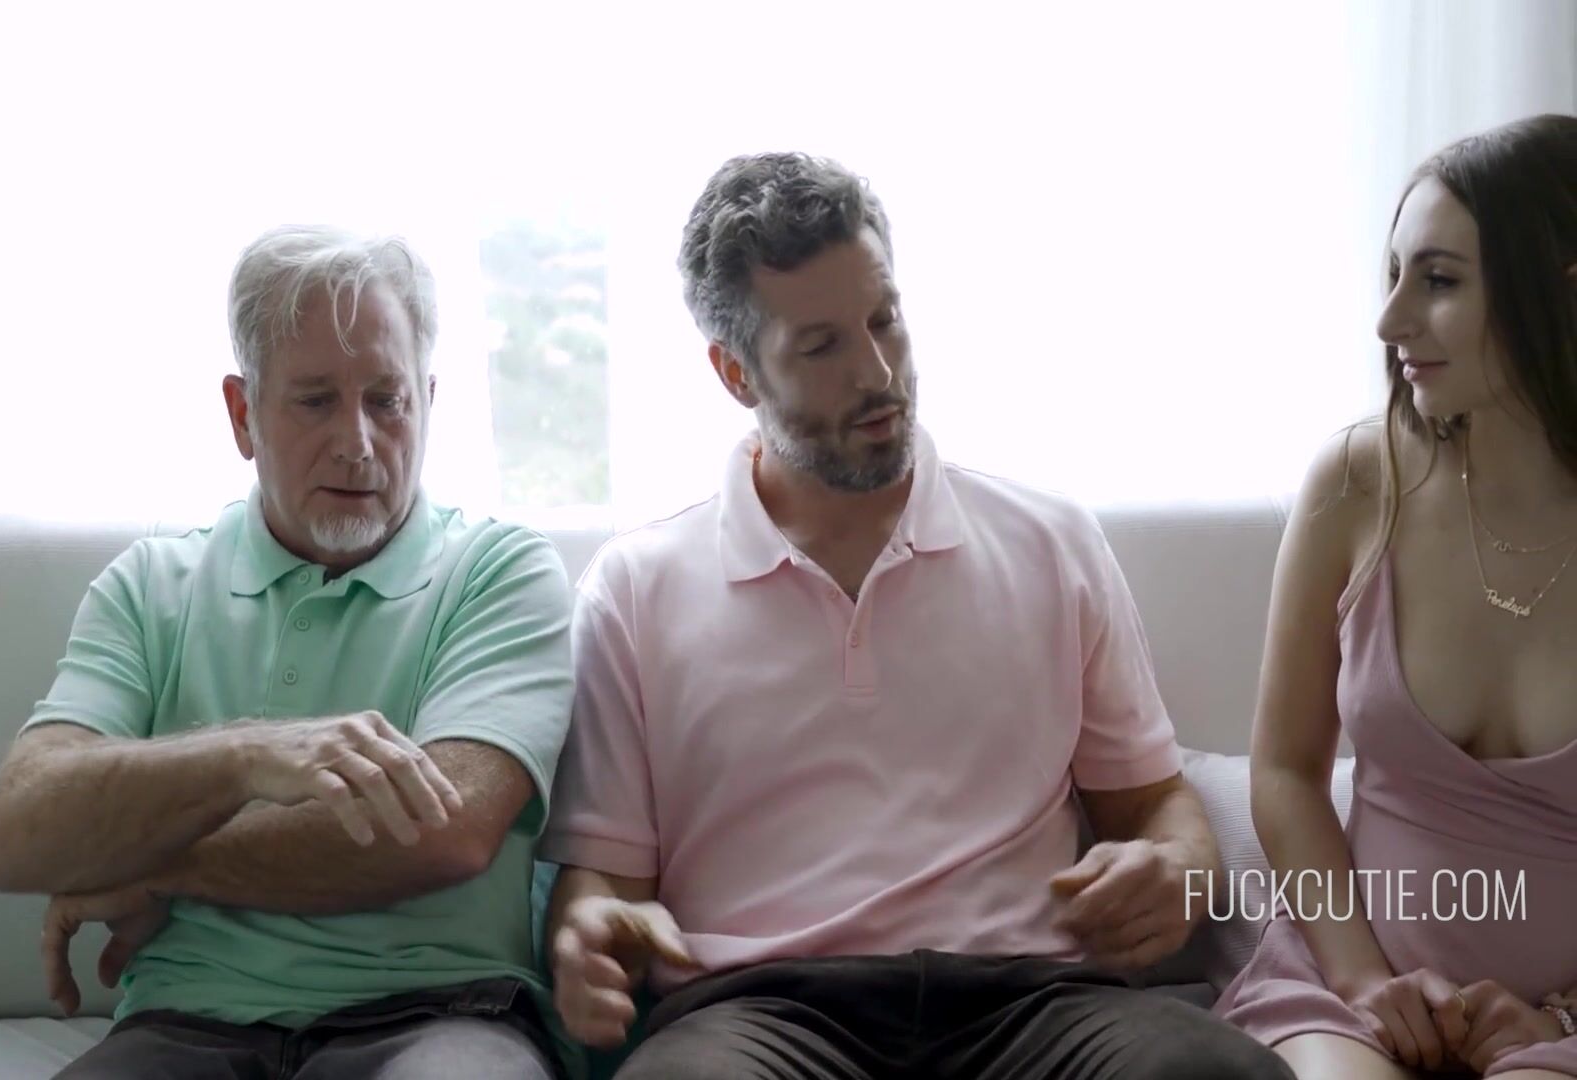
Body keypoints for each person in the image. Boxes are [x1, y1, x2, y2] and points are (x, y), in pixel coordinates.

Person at [539, 152, 1289, 1079]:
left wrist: (1177, 864)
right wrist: (586, 933)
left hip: (1036, 1001)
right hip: (762, 1015)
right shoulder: (634, 590)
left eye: (885, 320)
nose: (877, 371)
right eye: (822, 346)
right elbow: (604, 881)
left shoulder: (1050, 540)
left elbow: (1152, 802)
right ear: (735, 373)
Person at [0, 226, 575, 1079]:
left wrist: (155, 864)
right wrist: (248, 756)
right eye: (316, 401)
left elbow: (442, 833)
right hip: (187, 1023)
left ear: (428, 401)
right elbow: (17, 834)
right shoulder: (150, 585)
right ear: (241, 413)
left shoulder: (500, 571)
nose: (358, 442)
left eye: (387, 400)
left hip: (443, 1014)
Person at [1216, 114, 1577, 1079]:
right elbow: (1285, 771)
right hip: (1350, 994)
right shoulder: (1356, 483)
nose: (1390, 321)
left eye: (1440, 281)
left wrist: (1561, 1018)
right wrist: (1363, 978)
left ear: (1561, 289)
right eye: (1393, 275)